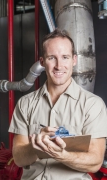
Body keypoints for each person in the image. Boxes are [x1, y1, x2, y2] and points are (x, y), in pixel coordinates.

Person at [8, 28, 107, 180]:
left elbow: (95, 162)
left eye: (65, 57)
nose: (59, 66)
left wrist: (61, 155)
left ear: (74, 60)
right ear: (42, 62)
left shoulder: (93, 105)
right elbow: (19, 158)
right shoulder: (25, 104)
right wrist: (37, 147)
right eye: (52, 58)